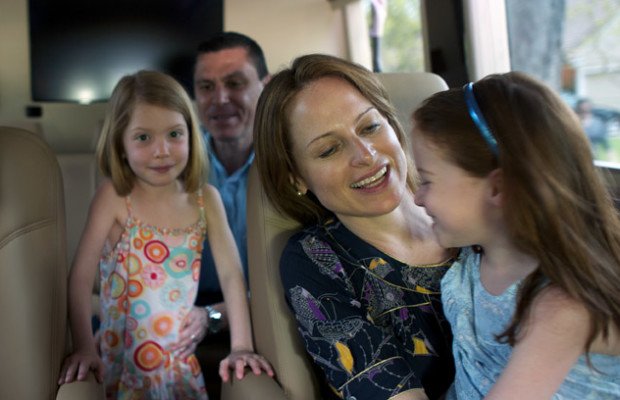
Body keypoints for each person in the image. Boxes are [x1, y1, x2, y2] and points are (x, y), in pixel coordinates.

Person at [57, 70, 273, 398]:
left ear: (192, 134)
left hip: (177, 367)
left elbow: (231, 275)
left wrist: (241, 346)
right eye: (143, 138)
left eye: (174, 134)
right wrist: (85, 347)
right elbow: (80, 279)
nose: (162, 151)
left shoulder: (206, 200)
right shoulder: (115, 197)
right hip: (120, 364)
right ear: (120, 142)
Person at [254, 54, 456, 400]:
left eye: (369, 127)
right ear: (296, 177)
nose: (365, 155)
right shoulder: (315, 261)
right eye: (329, 149)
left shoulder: (470, 198)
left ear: (392, 124)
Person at [411, 71, 620, 399]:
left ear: (498, 187)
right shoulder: (473, 257)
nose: (417, 198)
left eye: (426, 180)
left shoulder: (562, 309)